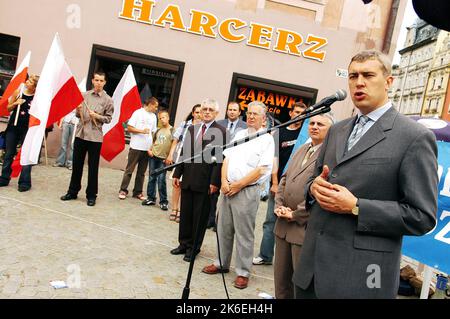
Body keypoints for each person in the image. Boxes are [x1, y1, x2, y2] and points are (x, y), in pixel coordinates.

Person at [294, 50, 438, 299]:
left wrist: (357, 207)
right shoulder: (336, 131)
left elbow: (422, 216)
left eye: (368, 75)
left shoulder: (414, 137)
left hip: (361, 280)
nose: (359, 82)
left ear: (389, 82)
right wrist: (312, 189)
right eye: (353, 76)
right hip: (311, 273)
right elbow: (314, 180)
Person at [202, 101, 275, 290]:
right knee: (223, 228)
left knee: (244, 233)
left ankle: (243, 272)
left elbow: (262, 169)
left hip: (247, 191)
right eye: (249, 113)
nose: (250, 117)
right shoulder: (240, 134)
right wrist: (224, 182)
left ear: (264, 118)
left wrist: (239, 185)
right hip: (228, 188)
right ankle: (221, 263)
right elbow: (227, 158)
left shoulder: (267, 139)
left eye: (255, 114)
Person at [273, 112, 334, 299]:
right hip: (283, 226)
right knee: (280, 281)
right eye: (312, 123)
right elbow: (284, 179)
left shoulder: (330, 156)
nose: (314, 126)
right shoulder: (302, 148)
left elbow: (321, 193)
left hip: (303, 228)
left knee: (299, 284)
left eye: (320, 124)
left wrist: (296, 214)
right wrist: (279, 204)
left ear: (331, 130)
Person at [170, 98, 227, 262]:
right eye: (204, 109)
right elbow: (184, 153)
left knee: (199, 217)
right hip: (187, 178)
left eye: (210, 110)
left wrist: (215, 182)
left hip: (205, 181)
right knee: (186, 214)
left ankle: (193, 248)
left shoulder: (221, 132)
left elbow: (220, 158)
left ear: (216, 113)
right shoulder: (192, 129)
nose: (207, 112)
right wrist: (177, 173)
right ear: (200, 112)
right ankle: (183, 243)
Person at [253, 102, 307, 266]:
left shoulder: (306, 133)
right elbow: (273, 159)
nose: (299, 115)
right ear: (291, 113)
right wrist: (275, 183)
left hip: (297, 186)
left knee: (295, 222)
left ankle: (288, 260)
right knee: (271, 220)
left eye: (302, 113)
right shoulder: (279, 132)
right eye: (296, 112)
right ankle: (266, 255)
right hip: (279, 184)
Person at [60, 71, 114, 207]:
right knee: (76, 165)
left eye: (101, 81)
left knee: (93, 168)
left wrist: (97, 116)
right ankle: (72, 191)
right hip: (81, 134)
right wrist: (78, 111)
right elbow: (79, 115)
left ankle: (91, 195)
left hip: (95, 138)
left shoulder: (108, 100)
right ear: (92, 80)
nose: (98, 83)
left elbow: (108, 119)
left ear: (105, 82)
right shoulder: (84, 96)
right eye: (96, 80)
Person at [0, 74, 39, 191]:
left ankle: (25, 182)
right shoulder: (19, 92)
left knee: (26, 154)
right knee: (9, 153)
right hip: (14, 126)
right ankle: (4, 178)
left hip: (28, 129)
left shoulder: (37, 97)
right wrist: (16, 103)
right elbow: (8, 108)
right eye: (28, 80)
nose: (27, 82)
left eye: (31, 81)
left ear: (35, 86)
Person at [166, 104, 202, 222]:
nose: (198, 114)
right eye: (196, 112)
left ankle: (182, 211)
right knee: (176, 185)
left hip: (192, 160)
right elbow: (175, 141)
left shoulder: (203, 127)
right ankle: (174, 209)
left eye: (200, 112)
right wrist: (171, 154)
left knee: (185, 185)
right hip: (180, 157)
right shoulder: (185, 125)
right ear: (192, 113)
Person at [118, 97, 158, 200]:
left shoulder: (154, 116)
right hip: (136, 146)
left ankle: (137, 192)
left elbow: (153, 132)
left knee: (141, 172)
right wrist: (141, 131)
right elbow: (129, 128)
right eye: (155, 106)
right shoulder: (138, 113)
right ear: (150, 104)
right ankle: (123, 190)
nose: (156, 108)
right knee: (129, 170)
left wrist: (152, 146)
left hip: (146, 148)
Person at [142, 109, 173, 210]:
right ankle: (151, 198)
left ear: (168, 118)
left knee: (161, 180)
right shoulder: (158, 130)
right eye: (160, 118)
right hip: (153, 156)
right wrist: (150, 149)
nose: (162, 120)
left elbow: (174, 144)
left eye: (164, 117)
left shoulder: (172, 130)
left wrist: (170, 156)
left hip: (163, 159)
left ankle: (163, 201)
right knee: (152, 177)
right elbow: (154, 141)